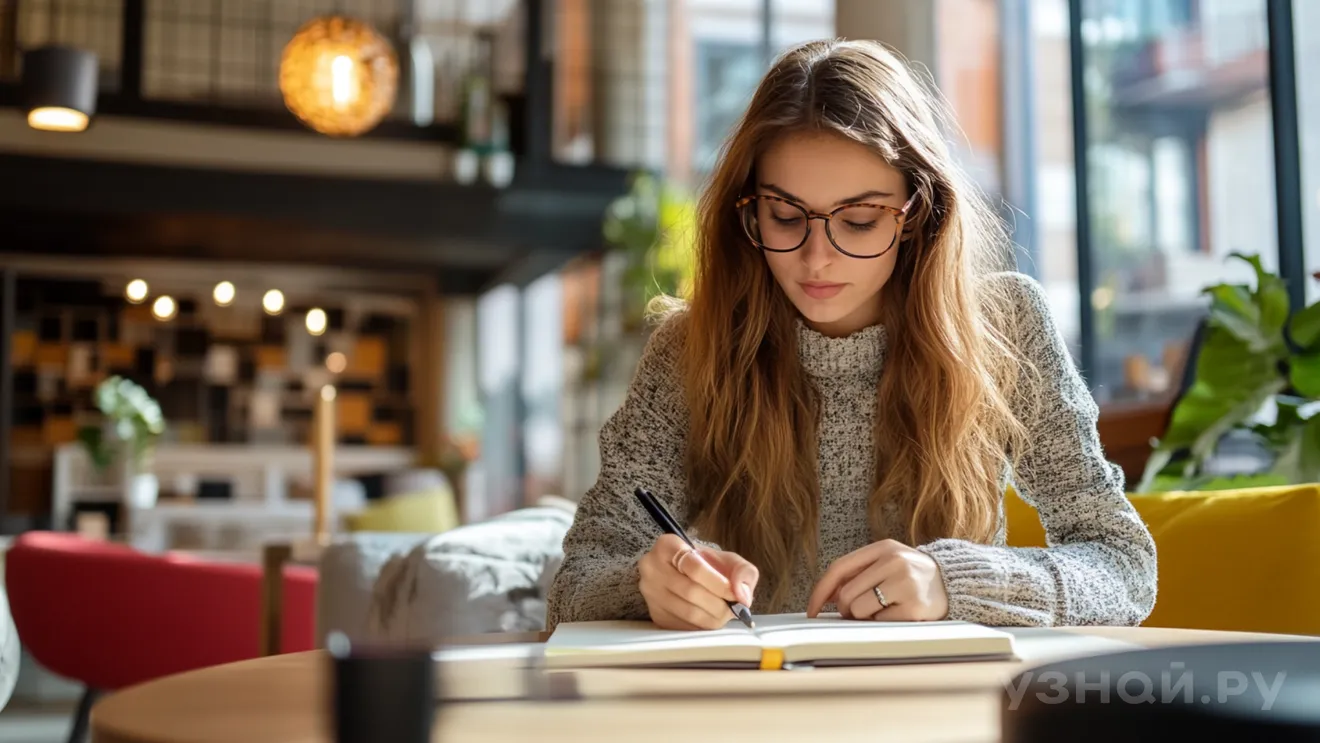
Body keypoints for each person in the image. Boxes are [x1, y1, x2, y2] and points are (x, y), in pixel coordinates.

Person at [545, 38, 1157, 632]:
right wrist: (651, 584)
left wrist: (954, 584)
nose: (816, 259)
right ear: (748, 210)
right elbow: (578, 580)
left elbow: (1124, 566)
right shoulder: (689, 351)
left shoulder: (1007, 327)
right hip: (755, 706)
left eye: (859, 221)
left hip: (942, 711)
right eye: (785, 217)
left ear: (920, 212)